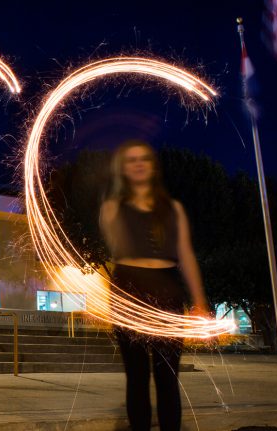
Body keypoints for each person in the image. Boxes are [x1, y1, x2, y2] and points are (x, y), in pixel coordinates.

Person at [99, 140, 210, 431]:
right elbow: (117, 247)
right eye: (131, 160)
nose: (138, 164)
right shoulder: (112, 208)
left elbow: (186, 254)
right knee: (136, 376)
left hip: (167, 289)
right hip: (128, 289)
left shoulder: (173, 209)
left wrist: (199, 302)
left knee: (167, 376)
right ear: (123, 169)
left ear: (152, 166)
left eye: (144, 159)